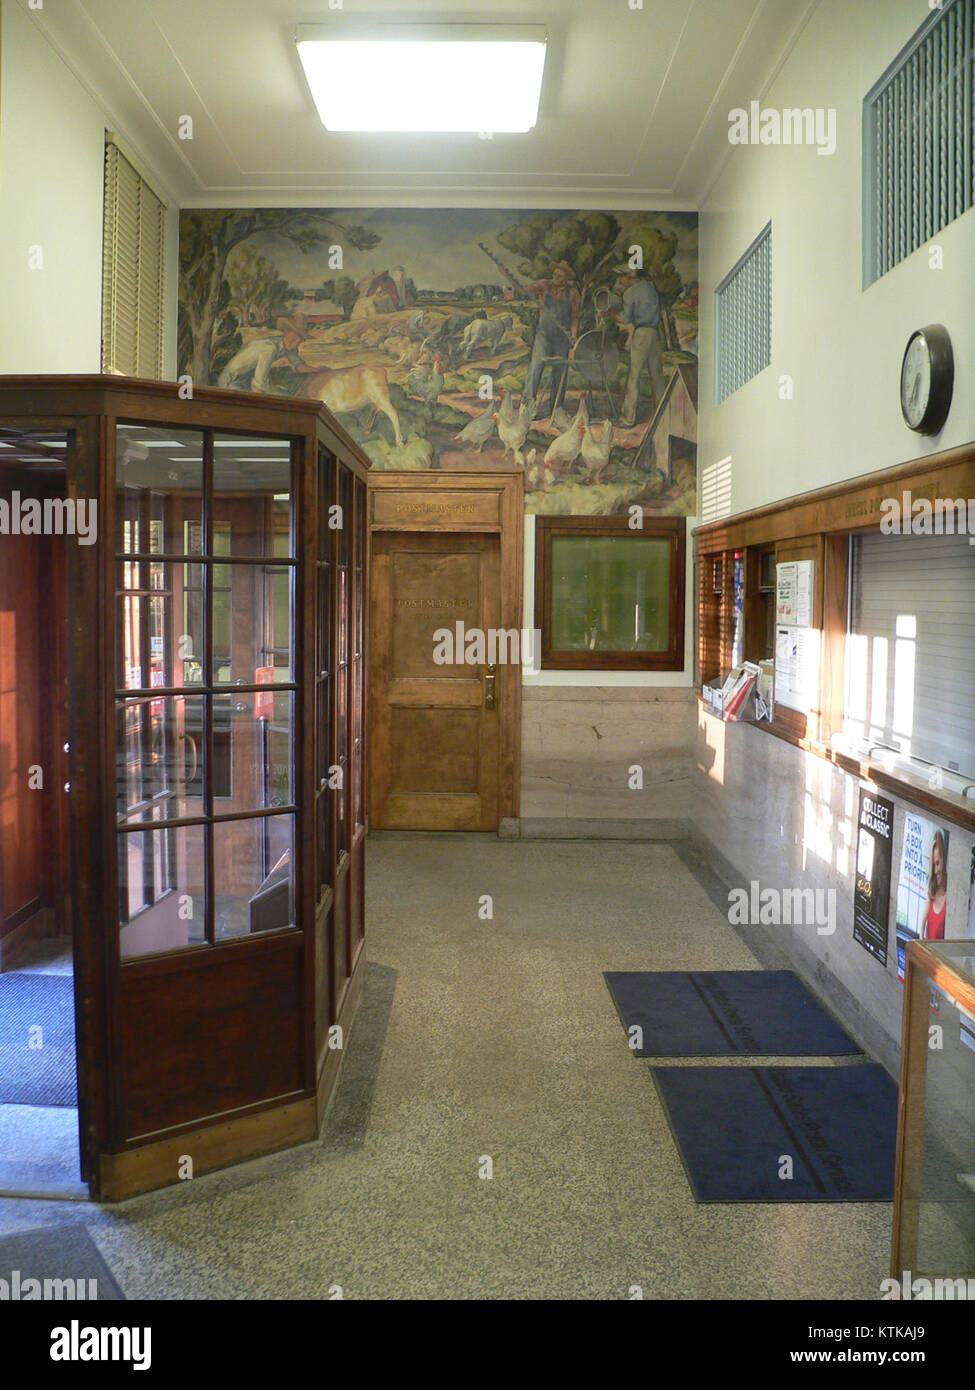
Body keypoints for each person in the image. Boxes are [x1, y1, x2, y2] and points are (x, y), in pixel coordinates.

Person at [609, 264, 667, 428]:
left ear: (629, 276)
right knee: (657, 376)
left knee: (634, 376)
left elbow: (625, 319)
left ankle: (627, 419)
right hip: (655, 334)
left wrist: (610, 313)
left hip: (641, 334)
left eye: (622, 276)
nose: (620, 280)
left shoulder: (630, 293)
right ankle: (663, 415)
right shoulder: (650, 287)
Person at [523, 261, 581, 418]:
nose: (555, 278)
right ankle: (528, 407)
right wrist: (508, 279)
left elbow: (574, 317)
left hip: (562, 338)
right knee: (536, 367)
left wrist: (573, 338)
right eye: (554, 274)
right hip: (544, 335)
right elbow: (524, 290)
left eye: (559, 276)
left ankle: (556, 408)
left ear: (566, 278)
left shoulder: (573, 294)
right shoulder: (544, 285)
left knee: (560, 371)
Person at [921, 830, 948, 940]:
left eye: (938, 863)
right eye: (933, 865)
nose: (936, 870)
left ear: (944, 861)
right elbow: (923, 922)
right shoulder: (931, 893)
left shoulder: (949, 898)